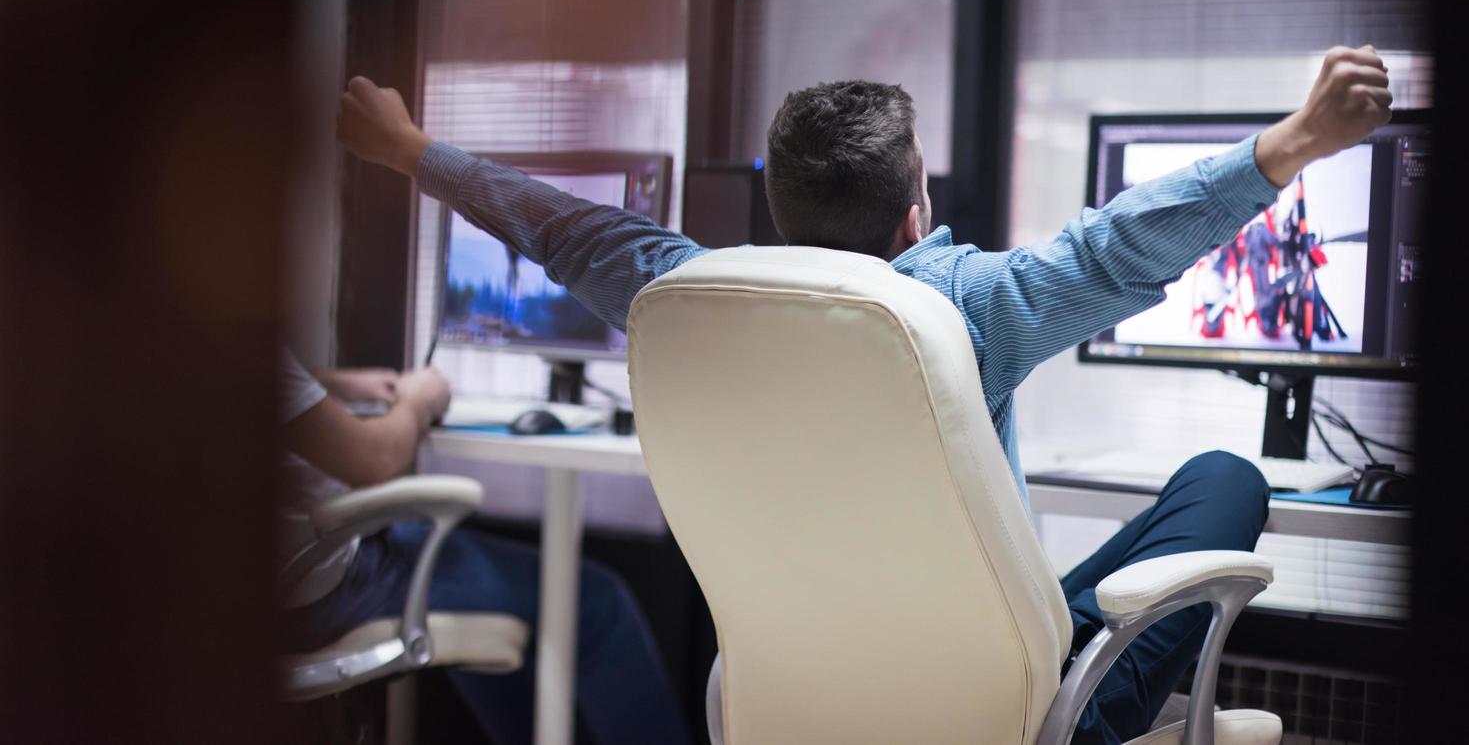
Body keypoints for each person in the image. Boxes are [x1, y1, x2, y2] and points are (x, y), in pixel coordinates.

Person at [336, 45, 1391, 744]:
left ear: (773, 202)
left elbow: (548, 221)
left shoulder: (689, 291)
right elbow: (1116, 246)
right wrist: (1291, 143)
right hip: (988, 687)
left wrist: (406, 148)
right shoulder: (965, 303)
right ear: (914, 203)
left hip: (794, 682)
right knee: (1221, 478)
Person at [277, 352, 689, 745]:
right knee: (598, 604)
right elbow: (376, 458)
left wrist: (333, 382)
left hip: (284, 588)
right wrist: (418, 400)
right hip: (330, 588)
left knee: (496, 616)